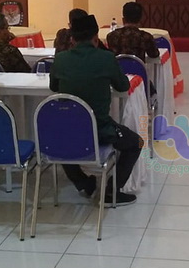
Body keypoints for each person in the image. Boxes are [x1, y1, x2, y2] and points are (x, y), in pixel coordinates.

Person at [49, 14, 142, 206]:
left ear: (72, 39)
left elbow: (54, 87)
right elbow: (123, 86)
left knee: (61, 142)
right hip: (100, 129)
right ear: (96, 37)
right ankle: (111, 191)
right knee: (136, 142)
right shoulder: (106, 58)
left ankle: (83, 183)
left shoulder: (61, 59)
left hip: (68, 129)